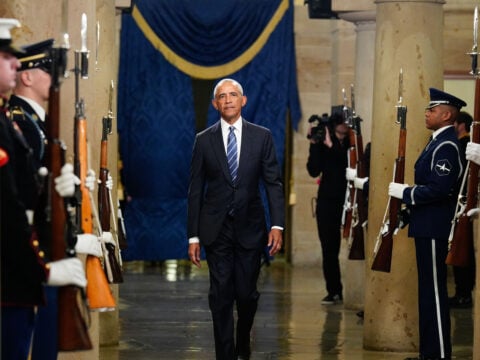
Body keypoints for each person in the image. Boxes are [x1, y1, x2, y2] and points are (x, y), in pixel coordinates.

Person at [7, 38, 102, 359]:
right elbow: (22, 200)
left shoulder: (31, 122)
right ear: (28, 77)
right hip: (27, 254)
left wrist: (74, 190)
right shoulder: (20, 122)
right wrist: (71, 242)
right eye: (47, 70)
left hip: (38, 250)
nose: (55, 78)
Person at [187, 78, 284, 360]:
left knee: (246, 295)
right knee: (220, 295)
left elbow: (273, 182)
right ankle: (225, 355)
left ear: (243, 100)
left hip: (250, 228)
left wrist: (277, 224)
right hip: (216, 230)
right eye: (222, 96)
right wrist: (193, 236)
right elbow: (195, 190)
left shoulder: (261, 136)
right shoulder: (203, 140)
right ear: (215, 104)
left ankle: (244, 339)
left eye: (233, 95)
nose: (228, 100)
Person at [388, 88, 465, 360]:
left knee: (434, 293)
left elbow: (438, 189)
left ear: (446, 115)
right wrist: (407, 212)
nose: (427, 113)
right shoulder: (436, 142)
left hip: (435, 227)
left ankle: (439, 354)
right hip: (426, 224)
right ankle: (429, 353)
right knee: (426, 294)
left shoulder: (446, 145)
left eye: (432, 110)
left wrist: (405, 193)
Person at [307, 109, 349, 305]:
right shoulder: (323, 142)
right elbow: (313, 170)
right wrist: (315, 145)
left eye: (346, 121)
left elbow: (347, 165)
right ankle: (334, 290)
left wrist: (332, 146)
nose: (344, 125)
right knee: (329, 248)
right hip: (328, 201)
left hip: (351, 199)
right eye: (340, 122)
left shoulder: (352, 142)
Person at [449, 111, 475, 308]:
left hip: (463, 203)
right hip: (460, 202)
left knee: (462, 249)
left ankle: (463, 292)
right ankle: (462, 291)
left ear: (461, 125)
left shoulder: (464, 145)